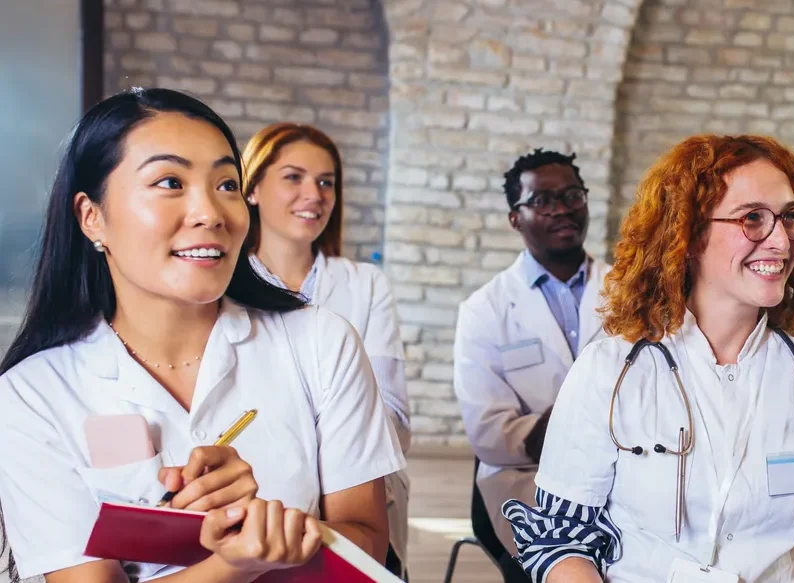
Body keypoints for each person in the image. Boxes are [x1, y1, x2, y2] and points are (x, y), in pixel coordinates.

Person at [0, 88, 404, 582]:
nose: (212, 212)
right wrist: (236, 562)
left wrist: (277, 529)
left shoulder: (322, 343)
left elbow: (367, 543)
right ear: (92, 217)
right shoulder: (31, 393)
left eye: (227, 184)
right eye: (170, 181)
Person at [503, 135, 794, 582]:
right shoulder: (608, 371)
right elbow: (562, 538)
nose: (781, 241)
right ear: (688, 235)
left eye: (790, 217)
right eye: (752, 218)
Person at [240, 122, 411, 577]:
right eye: (293, 177)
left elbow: (393, 413)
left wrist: (334, 461)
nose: (313, 193)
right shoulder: (227, 286)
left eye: (325, 182)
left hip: (363, 511)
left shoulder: (365, 285)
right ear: (252, 188)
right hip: (262, 511)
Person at [453, 149, 609, 559]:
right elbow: (489, 433)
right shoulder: (484, 310)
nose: (561, 209)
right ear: (514, 217)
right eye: (542, 200)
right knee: (562, 561)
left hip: (622, 476)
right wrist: (579, 422)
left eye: (572, 195)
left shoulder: (630, 294)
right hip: (527, 481)